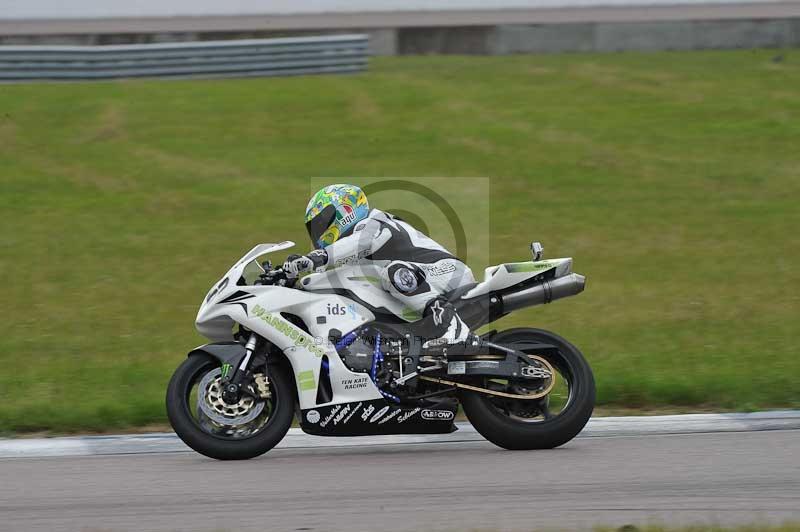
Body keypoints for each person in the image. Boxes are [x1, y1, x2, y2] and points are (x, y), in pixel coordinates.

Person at [283, 183, 476, 351]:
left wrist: (316, 258)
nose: (318, 232)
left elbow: (359, 243)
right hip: (423, 283)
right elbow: (329, 276)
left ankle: (454, 329)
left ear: (345, 210)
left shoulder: (375, 222)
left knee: (394, 272)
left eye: (321, 223)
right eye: (314, 228)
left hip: (447, 272)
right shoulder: (350, 254)